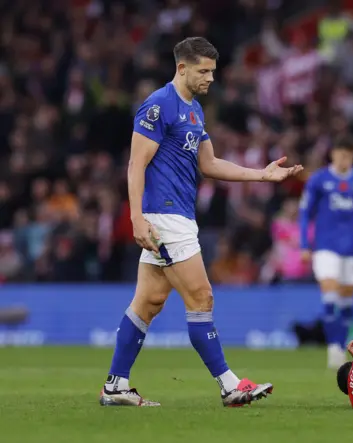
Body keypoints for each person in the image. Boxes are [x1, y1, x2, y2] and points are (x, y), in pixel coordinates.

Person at [99, 37, 303, 407]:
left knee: (148, 302)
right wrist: (136, 217)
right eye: (203, 71)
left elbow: (209, 165)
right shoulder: (159, 105)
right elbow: (136, 164)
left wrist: (262, 175)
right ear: (182, 68)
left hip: (179, 216)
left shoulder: (194, 111)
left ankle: (116, 385)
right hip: (164, 217)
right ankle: (229, 385)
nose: (211, 78)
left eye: (213, 71)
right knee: (201, 296)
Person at [299, 134, 353, 368]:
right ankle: (333, 347)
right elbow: (306, 213)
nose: (344, 159)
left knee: (347, 300)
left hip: (352, 249)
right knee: (329, 292)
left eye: (349, 155)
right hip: (325, 247)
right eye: (341, 154)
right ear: (333, 154)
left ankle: (341, 342)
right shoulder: (318, 180)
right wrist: (304, 245)